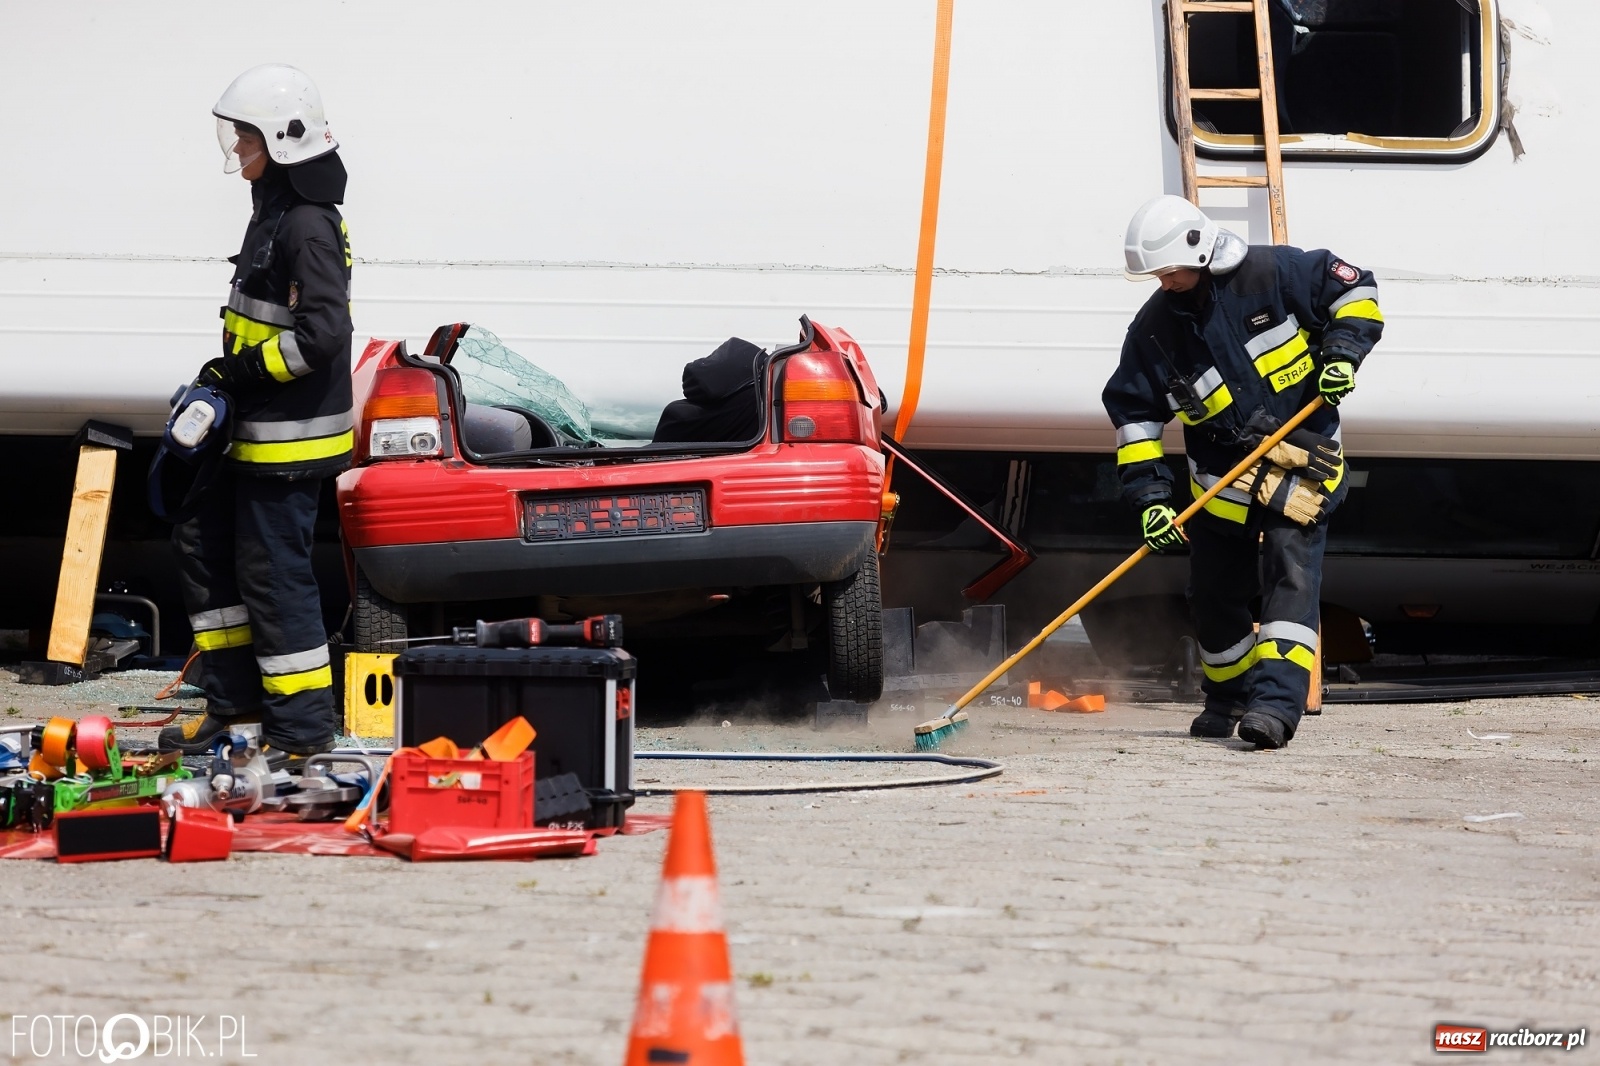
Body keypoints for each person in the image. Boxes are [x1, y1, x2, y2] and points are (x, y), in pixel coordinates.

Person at [1102, 195, 1383, 749]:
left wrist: (1342, 354)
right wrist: (1151, 499)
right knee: (1212, 596)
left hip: (1301, 468)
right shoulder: (1156, 329)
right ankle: (1226, 697)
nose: (1164, 282)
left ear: (1200, 251)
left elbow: (1357, 292)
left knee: (1290, 580)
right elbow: (1135, 416)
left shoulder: (1275, 273)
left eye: (1169, 270)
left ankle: (1274, 709)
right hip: (1221, 484)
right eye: (1155, 274)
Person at [159, 65, 354, 762]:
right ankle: (234, 708)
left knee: (275, 580)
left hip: (284, 444)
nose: (235, 146)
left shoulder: (307, 225)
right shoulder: (272, 207)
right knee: (202, 550)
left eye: (244, 135)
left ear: (282, 138)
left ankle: (302, 735)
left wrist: (240, 371)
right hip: (244, 430)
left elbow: (323, 335)